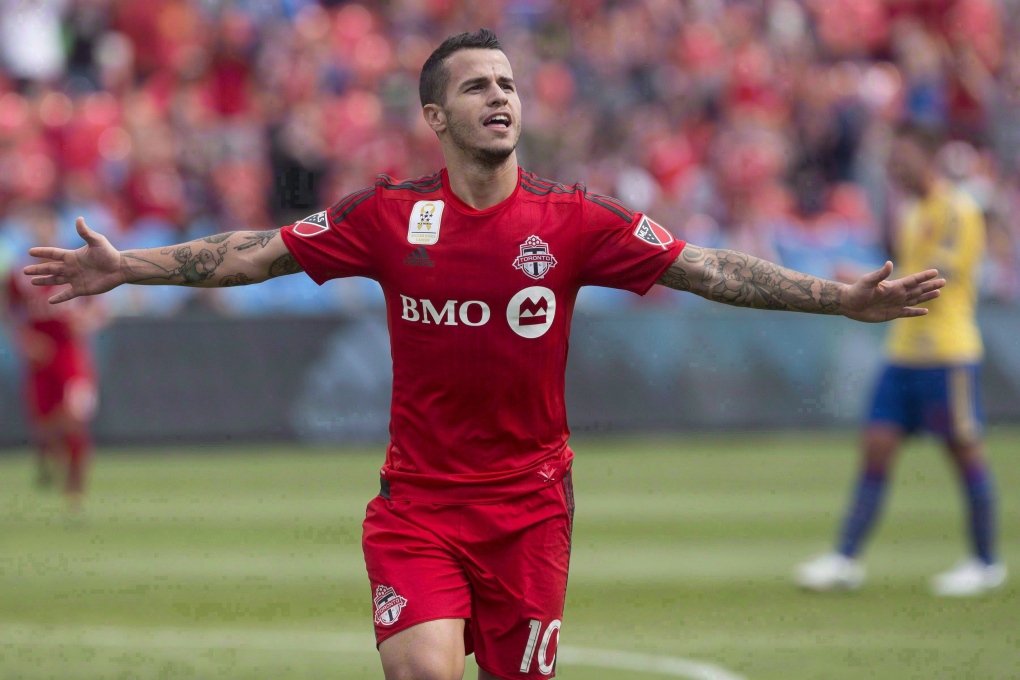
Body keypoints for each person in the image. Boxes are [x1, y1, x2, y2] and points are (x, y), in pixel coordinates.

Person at [25, 30, 945, 680]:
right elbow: (256, 251)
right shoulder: (387, 216)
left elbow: (707, 269)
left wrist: (840, 299)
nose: (499, 97)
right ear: (436, 114)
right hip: (418, 507)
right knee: (423, 671)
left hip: (531, 510)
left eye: (507, 84)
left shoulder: (576, 219)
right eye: (476, 86)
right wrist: (128, 266)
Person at [795, 123, 1005, 598]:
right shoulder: (909, 211)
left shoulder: (958, 209)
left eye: (903, 156)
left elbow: (941, 277)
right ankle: (846, 559)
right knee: (875, 448)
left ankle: (986, 562)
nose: (894, 166)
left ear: (928, 157)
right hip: (903, 353)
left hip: (947, 353)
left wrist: (869, 285)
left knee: (964, 452)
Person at [3, 205, 104, 516]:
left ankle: (76, 488)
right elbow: (9, 313)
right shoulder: (20, 276)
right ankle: (49, 460)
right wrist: (25, 340)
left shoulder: (76, 270)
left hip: (70, 355)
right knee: (46, 423)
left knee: (74, 418)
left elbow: (99, 308)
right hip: (40, 358)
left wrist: (85, 321)